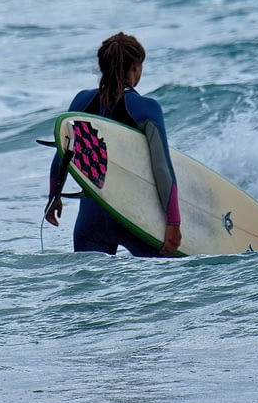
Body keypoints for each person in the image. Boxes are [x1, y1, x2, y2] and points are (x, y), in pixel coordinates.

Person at [45, 33, 182, 257]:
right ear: (136, 67)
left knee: (91, 290)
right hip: (133, 217)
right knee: (155, 290)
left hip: (91, 220)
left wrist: (54, 197)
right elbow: (162, 169)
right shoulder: (146, 108)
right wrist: (173, 222)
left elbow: (62, 153)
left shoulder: (81, 101)